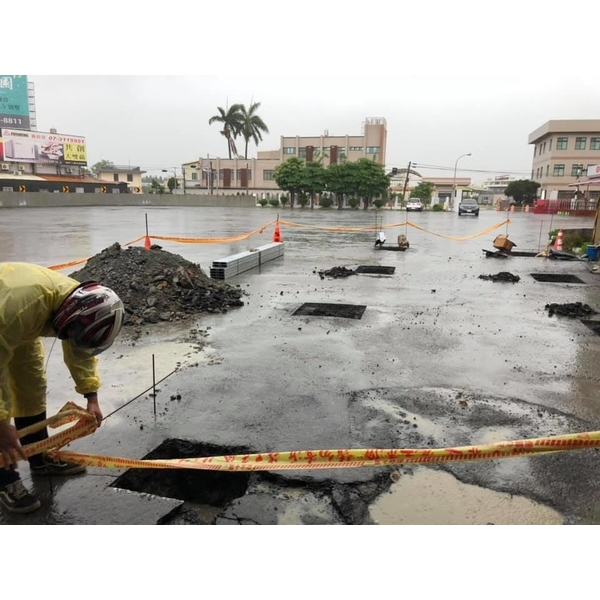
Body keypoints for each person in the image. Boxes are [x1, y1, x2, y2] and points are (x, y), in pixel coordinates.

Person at [0, 262, 124, 514]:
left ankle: (39, 456)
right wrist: (1, 423)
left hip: (22, 326)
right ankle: (4, 479)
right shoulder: (15, 308)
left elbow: (79, 349)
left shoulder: (78, 305)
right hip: (7, 316)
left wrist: (91, 396)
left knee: (31, 384)